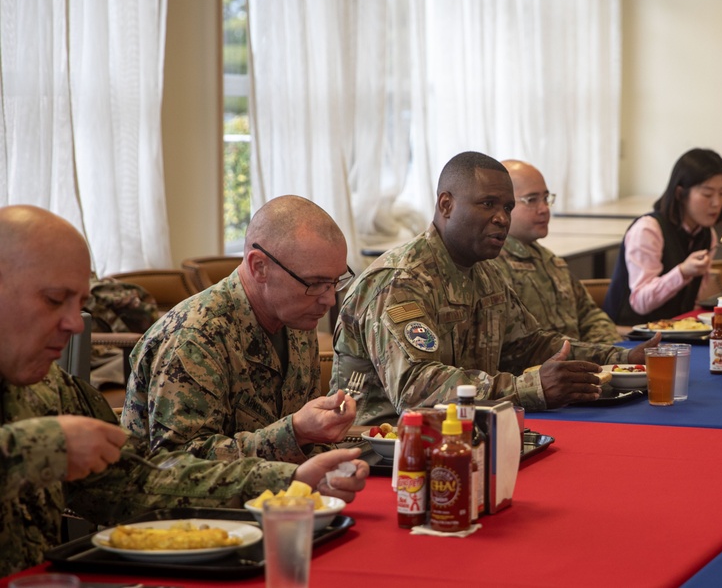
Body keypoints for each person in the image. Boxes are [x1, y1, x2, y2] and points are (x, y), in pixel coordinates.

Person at [0, 205, 368, 577]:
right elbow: (177, 454)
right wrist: (45, 445)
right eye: (52, 300)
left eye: (80, 304)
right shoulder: (192, 335)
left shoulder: (53, 390)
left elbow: (137, 482)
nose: (75, 325)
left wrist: (290, 480)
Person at [332, 152, 655, 426]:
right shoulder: (400, 281)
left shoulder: (484, 272)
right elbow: (416, 390)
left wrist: (623, 358)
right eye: (488, 204)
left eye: (508, 208)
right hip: (383, 453)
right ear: (446, 205)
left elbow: (528, 346)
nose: (502, 218)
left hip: (469, 435)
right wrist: (531, 387)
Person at [121, 195, 358, 463]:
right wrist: (294, 433)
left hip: (280, 498)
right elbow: (177, 464)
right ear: (259, 267)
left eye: (335, 282)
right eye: (315, 283)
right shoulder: (194, 336)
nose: (328, 299)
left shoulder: (297, 319)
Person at [497, 159, 621, 343]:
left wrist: (610, 354)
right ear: (503, 204)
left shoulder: (549, 260)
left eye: (546, 198)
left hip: (581, 363)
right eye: (531, 200)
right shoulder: (492, 266)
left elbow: (589, 316)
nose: (544, 209)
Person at [603, 148, 722, 325]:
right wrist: (682, 272)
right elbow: (640, 302)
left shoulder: (708, 235)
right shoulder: (648, 230)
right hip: (629, 334)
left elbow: (692, 299)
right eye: (707, 194)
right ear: (680, 193)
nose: (716, 202)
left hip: (675, 332)